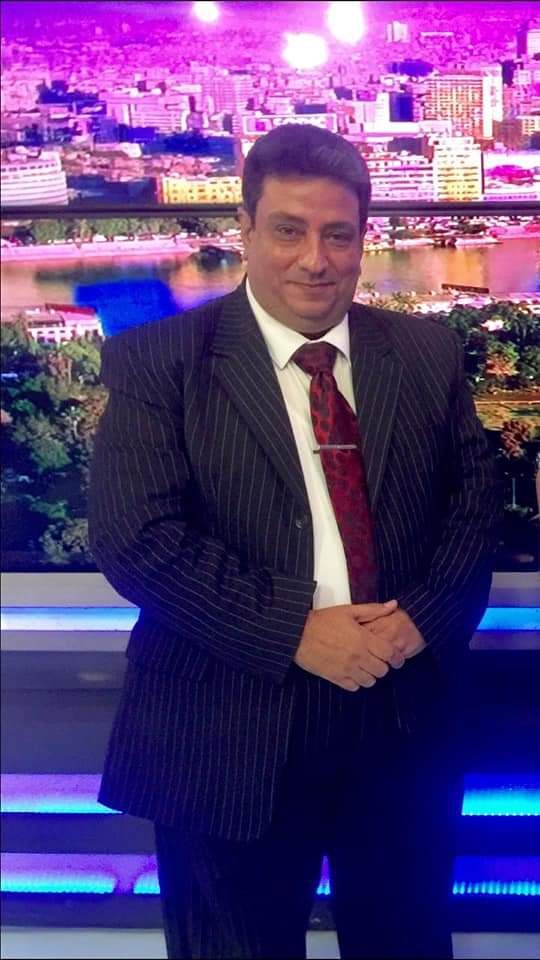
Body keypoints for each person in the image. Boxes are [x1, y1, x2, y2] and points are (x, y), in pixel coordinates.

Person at [88, 123, 501, 959]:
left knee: (407, 943)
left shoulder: (425, 352)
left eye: (337, 235)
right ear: (245, 230)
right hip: (225, 725)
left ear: (362, 240)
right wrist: (296, 634)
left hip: (400, 720)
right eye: (288, 231)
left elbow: (474, 502)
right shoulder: (159, 361)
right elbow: (136, 536)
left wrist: (415, 622)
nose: (315, 260)